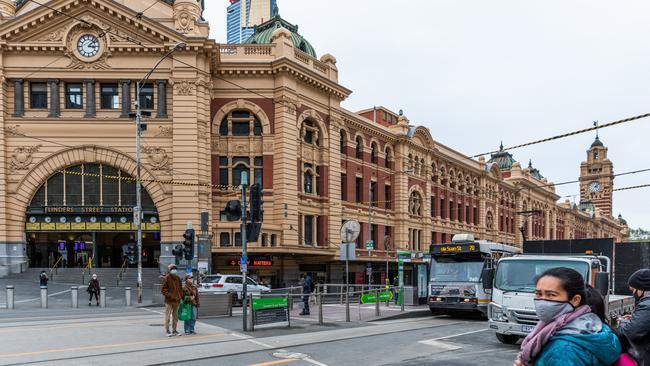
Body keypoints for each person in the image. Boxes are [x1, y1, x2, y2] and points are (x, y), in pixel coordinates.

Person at [514, 267, 621, 366]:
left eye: (551, 295)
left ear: (575, 300)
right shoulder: (591, 326)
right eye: (538, 294)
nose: (542, 300)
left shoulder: (564, 349)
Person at [619, 269, 650, 365]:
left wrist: (622, 322)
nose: (633, 293)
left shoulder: (647, 305)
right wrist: (634, 317)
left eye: (633, 290)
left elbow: (629, 333)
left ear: (641, 289)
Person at [161, 264, 183, 337]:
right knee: (168, 316)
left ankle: (174, 330)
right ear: (170, 270)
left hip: (177, 300)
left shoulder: (178, 278)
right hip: (169, 301)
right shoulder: (166, 278)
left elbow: (180, 289)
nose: (174, 270)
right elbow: (163, 290)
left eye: (175, 269)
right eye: (173, 269)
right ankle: (167, 330)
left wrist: (180, 296)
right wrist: (171, 295)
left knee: (175, 316)